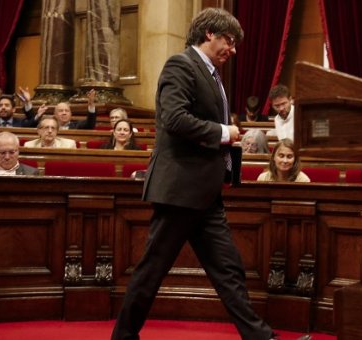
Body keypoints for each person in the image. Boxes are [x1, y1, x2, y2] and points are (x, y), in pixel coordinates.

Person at [112, 8, 308, 340]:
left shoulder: (214, 74)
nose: (233, 50)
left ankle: (262, 338)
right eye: (229, 41)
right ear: (209, 34)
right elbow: (173, 119)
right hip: (179, 190)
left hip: (204, 192)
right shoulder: (181, 65)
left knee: (228, 270)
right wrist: (224, 132)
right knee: (152, 271)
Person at [21, 88, 97, 130]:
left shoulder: (77, 126)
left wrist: (91, 104)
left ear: (71, 114)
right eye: (60, 111)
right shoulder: (48, 125)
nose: (64, 113)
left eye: (67, 111)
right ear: (55, 115)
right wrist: (28, 102)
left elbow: (90, 123)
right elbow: (31, 122)